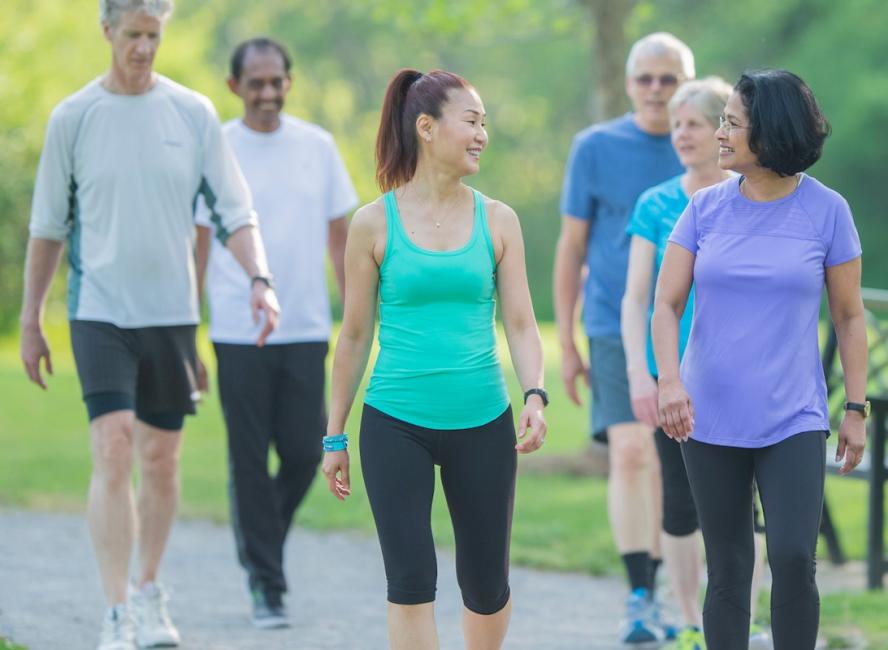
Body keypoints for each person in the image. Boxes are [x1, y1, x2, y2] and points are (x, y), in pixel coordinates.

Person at [19, 2, 280, 649]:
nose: (142, 47)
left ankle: (149, 591)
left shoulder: (190, 114)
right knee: (112, 448)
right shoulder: (74, 118)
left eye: (153, 36)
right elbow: (48, 228)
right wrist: (30, 318)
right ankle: (115, 613)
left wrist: (259, 278)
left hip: (171, 314)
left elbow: (234, 209)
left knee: (160, 461)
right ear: (106, 32)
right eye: (132, 35)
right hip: (99, 312)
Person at [321, 68, 546, 650]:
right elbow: (351, 336)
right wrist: (334, 436)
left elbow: (520, 323)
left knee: (485, 582)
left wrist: (536, 395)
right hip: (395, 422)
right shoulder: (373, 222)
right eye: (471, 121)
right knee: (411, 579)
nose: (481, 135)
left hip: (483, 421)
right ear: (426, 127)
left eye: (484, 124)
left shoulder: (499, 220)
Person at [652, 69, 867, 650]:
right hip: (709, 417)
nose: (719, 134)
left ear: (770, 133)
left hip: (793, 416)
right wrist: (669, 382)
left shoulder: (827, 212)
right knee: (728, 569)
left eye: (732, 123)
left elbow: (849, 316)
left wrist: (855, 407)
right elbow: (666, 305)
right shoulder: (704, 209)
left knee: (795, 557)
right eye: (721, 121)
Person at [194, 37, 358, 629]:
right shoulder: (216, 149)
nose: (267, 92)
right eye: (255, 83)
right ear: (234, 86)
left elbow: (342, 235)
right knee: (247, 458)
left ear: (290, 81)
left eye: (276, 81)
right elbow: (201, 242)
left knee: (302, 449)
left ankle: (259, 540)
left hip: (307, 325)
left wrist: (354, 309)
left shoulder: (317, 147)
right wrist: (193, 327)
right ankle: (267, 582)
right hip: (237, 330)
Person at [621, 77, 773, 650]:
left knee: (745, 508)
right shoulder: (656, 203)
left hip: (743, 380)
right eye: (676, 124)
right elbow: (636, 298)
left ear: (724, 129)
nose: (680, 134)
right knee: (681, 505)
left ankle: (746, 622)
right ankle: (689, 623)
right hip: (676, 381)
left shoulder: (757, 197)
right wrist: (644, 373)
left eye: (693, 123)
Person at [554, 31, 692, 643]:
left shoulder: (707, 143)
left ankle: (671, 589)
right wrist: (566, 342)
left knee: (673, 464)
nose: (657, 91)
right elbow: (571, 246)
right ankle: (639, 594)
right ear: (631, 83)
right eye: (646, 79)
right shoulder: (595, 147)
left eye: (669, 79)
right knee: (633, 451)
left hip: (694, 327)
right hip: (615, 321)